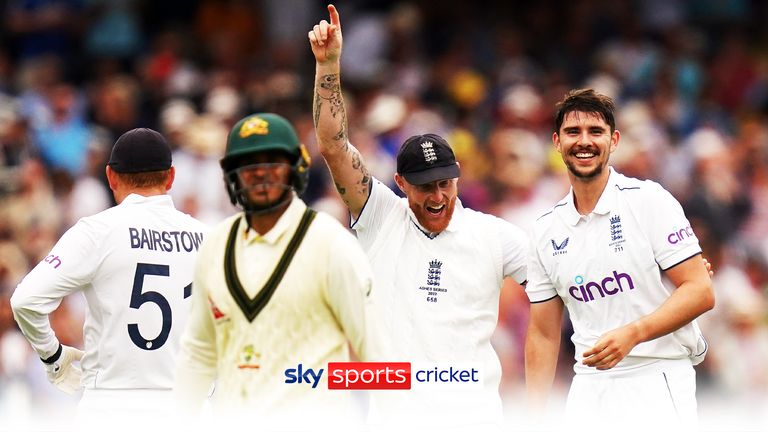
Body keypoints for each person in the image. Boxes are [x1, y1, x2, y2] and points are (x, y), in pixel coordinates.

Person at [308, 5, 528, 430]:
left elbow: (559, 279)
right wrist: (328, 66)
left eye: (446, 182)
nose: (438, 195)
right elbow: (334, 148)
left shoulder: (494, 235)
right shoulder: (380, 217)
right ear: (400, 183)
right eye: (425, 185)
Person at [524, 88, 715, 430]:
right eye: (573, 132)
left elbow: (700, 291)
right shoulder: (544, 230)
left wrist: (635, 333)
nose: (584, 141)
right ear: (556, 142)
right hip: (588, 386)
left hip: (656, 375)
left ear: (613, 141)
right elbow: (543, 333)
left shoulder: (649, 201)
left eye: (595, 132)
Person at [173, 113, 374, 429]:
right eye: (248, 165)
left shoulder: (333, 244)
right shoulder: (214, 245)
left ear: (297, 168)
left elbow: (376, 352)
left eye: (273, 163)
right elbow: (197, 354)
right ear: (231, 176)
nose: (261, 175)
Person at [10, 128, 208, 429]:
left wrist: (53, 357)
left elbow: (25, 301)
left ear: (111, 177)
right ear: (170, 177)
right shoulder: (206, 236)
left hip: (111, 407)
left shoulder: (97, 231)